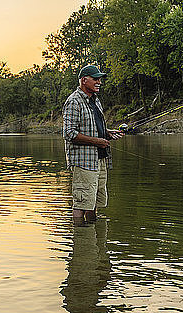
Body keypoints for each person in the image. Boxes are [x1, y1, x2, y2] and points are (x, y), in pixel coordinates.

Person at [62, 65, 123, 224]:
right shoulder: (73, 101)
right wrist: (97, 141)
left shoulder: (96, 100)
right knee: (82, 203)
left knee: (94, 201)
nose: (99, 82)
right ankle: (81, 236)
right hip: (84, 162)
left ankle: (92, 233)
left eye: (100, 79)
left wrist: (107, 132)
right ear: (84, 80)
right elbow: (69, 133)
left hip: (100, 159)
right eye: (95, 79)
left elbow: (92, 126)